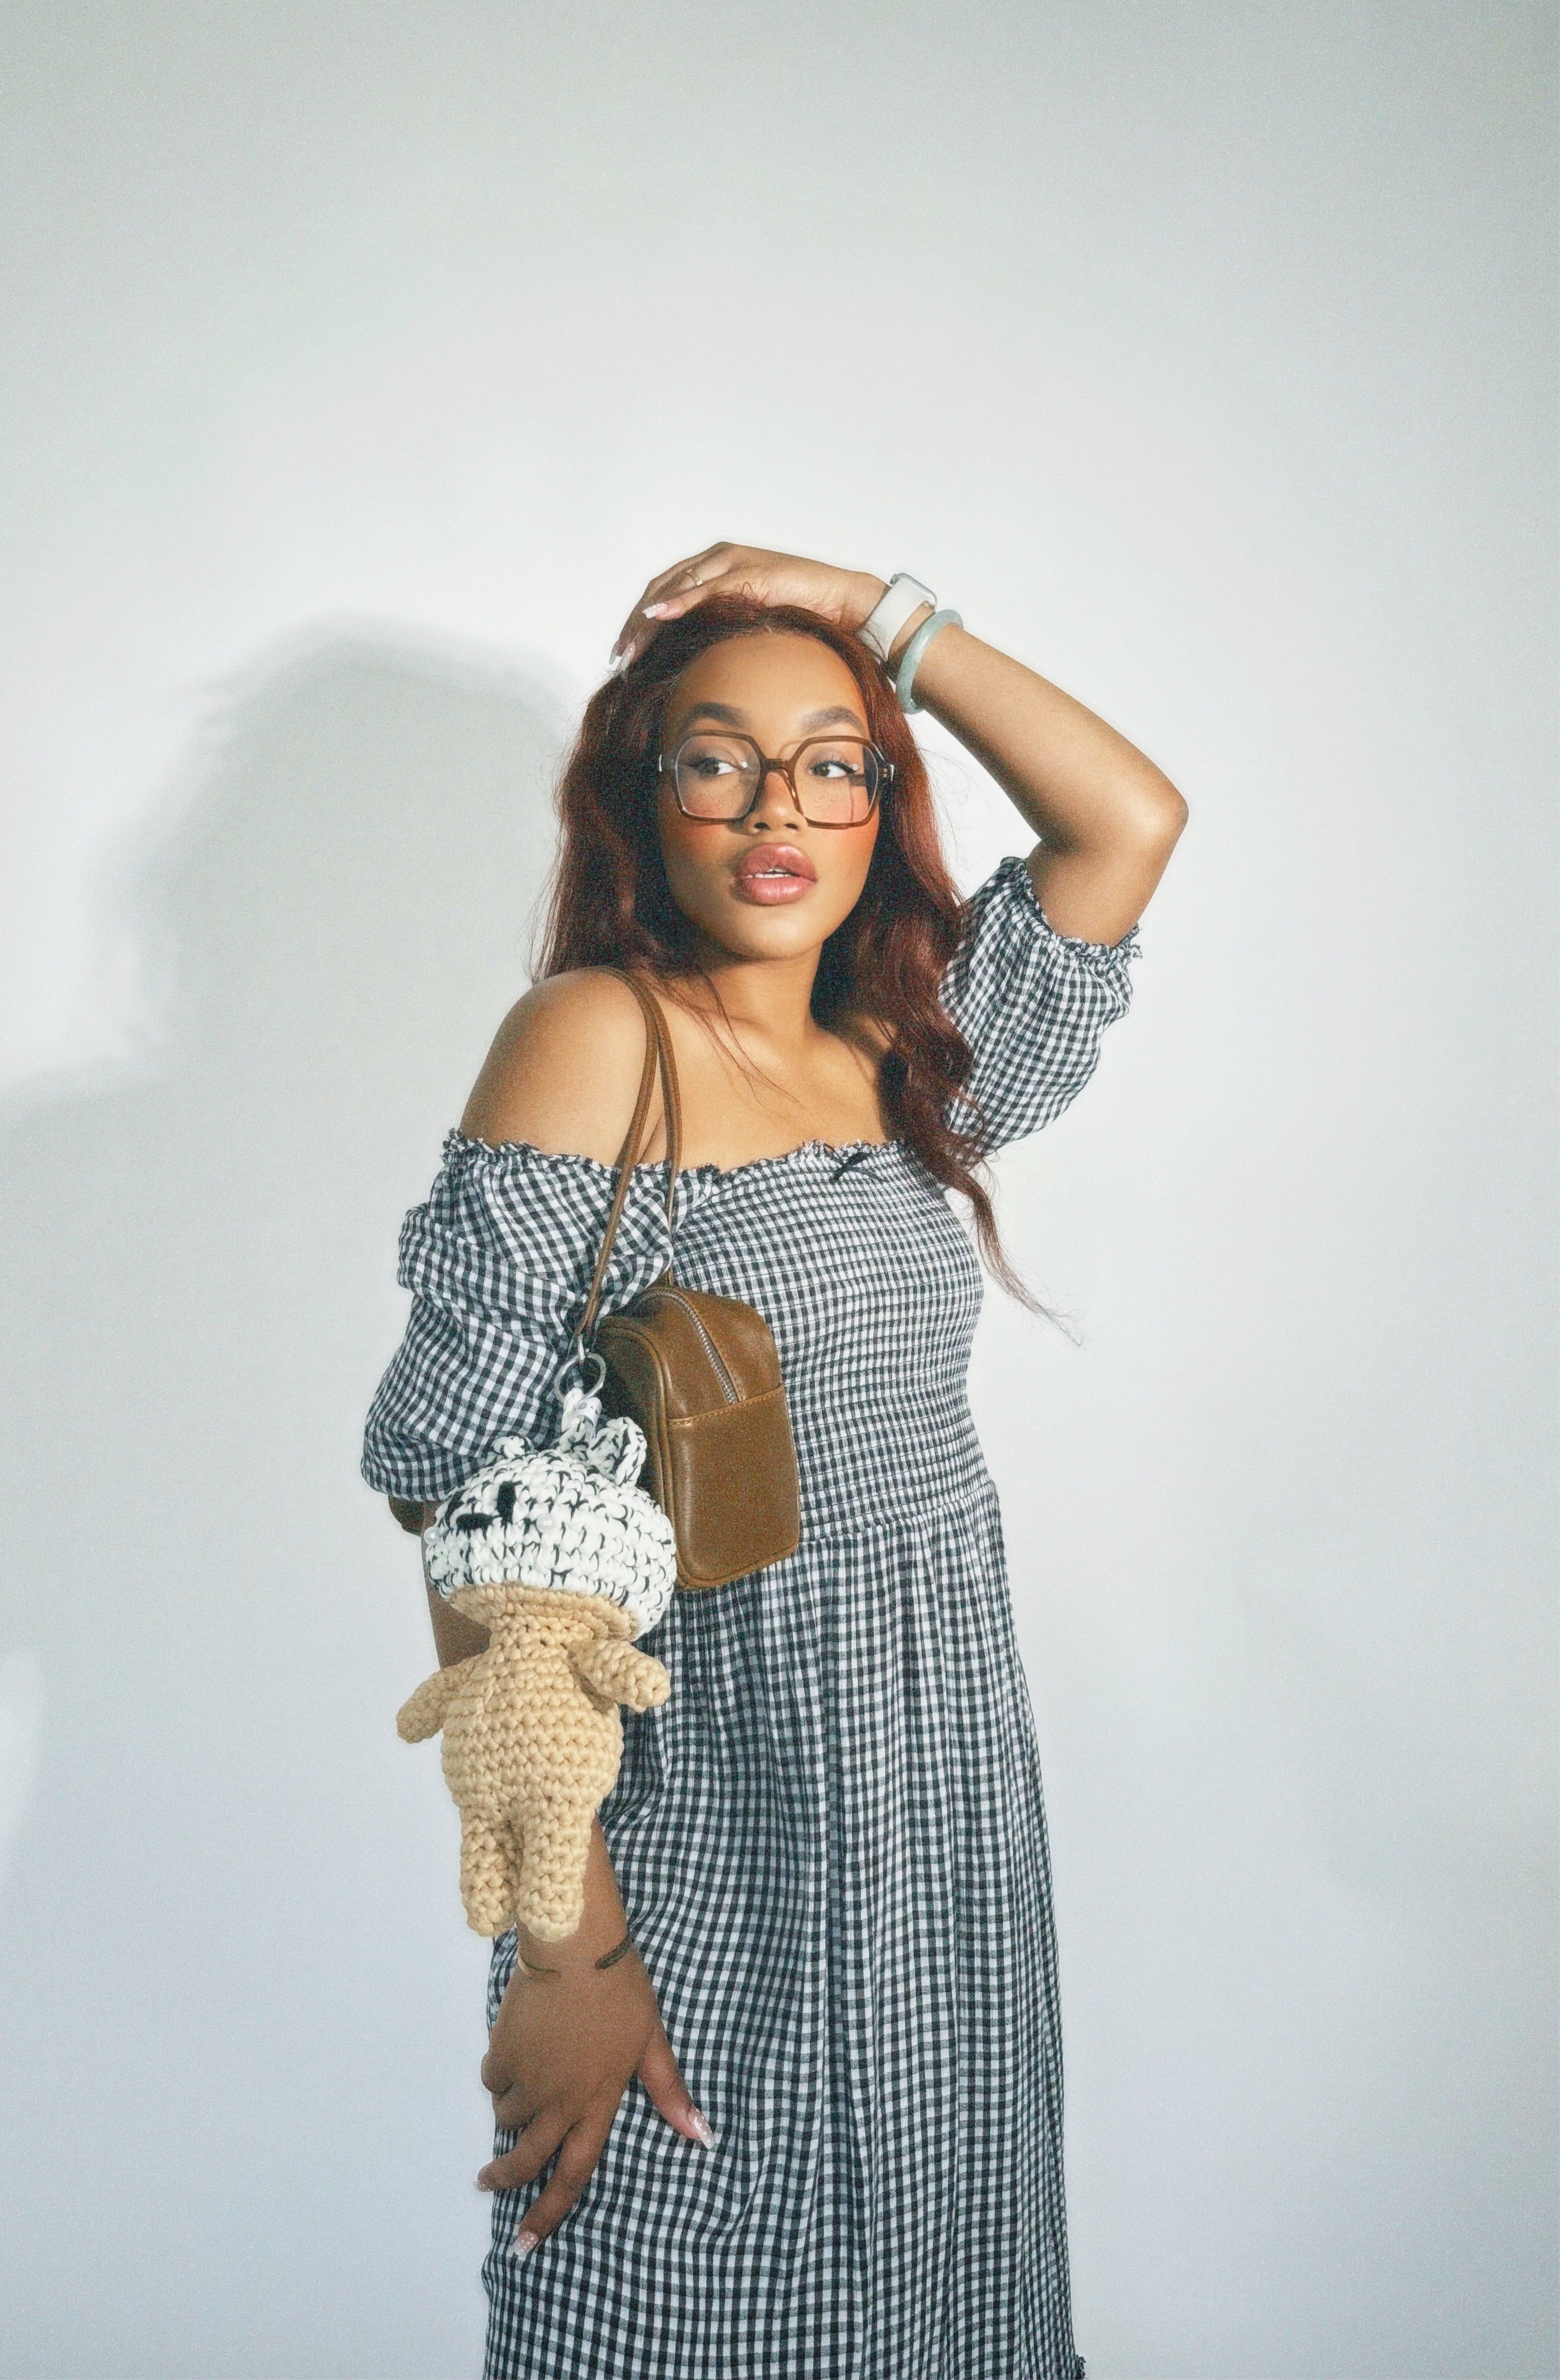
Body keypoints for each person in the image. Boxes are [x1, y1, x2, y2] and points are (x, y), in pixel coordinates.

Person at [363, 544, 1187, 2379]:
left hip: (934, 1790)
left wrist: (872, 610)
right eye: (718, 760)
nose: (777, 809)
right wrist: (568, 1947)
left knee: (943, 2300)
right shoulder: (596, 1041)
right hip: (710, 1789)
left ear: (883, 804)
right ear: (640, 799)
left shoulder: (897, 1048)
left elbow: (1127, 820)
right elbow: (470, 1508)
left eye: (832, 763)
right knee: (677, 2304)